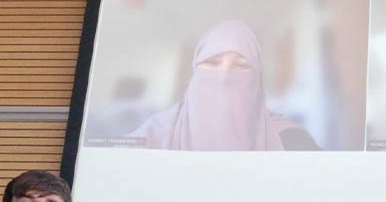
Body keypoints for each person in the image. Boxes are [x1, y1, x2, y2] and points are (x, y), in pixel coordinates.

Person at [126, 20, 318, 151]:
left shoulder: (291, 139)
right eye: (211, 63)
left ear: (257, 80)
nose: (224, 77)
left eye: (241, 66)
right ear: (194, 72)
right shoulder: (155, 134)